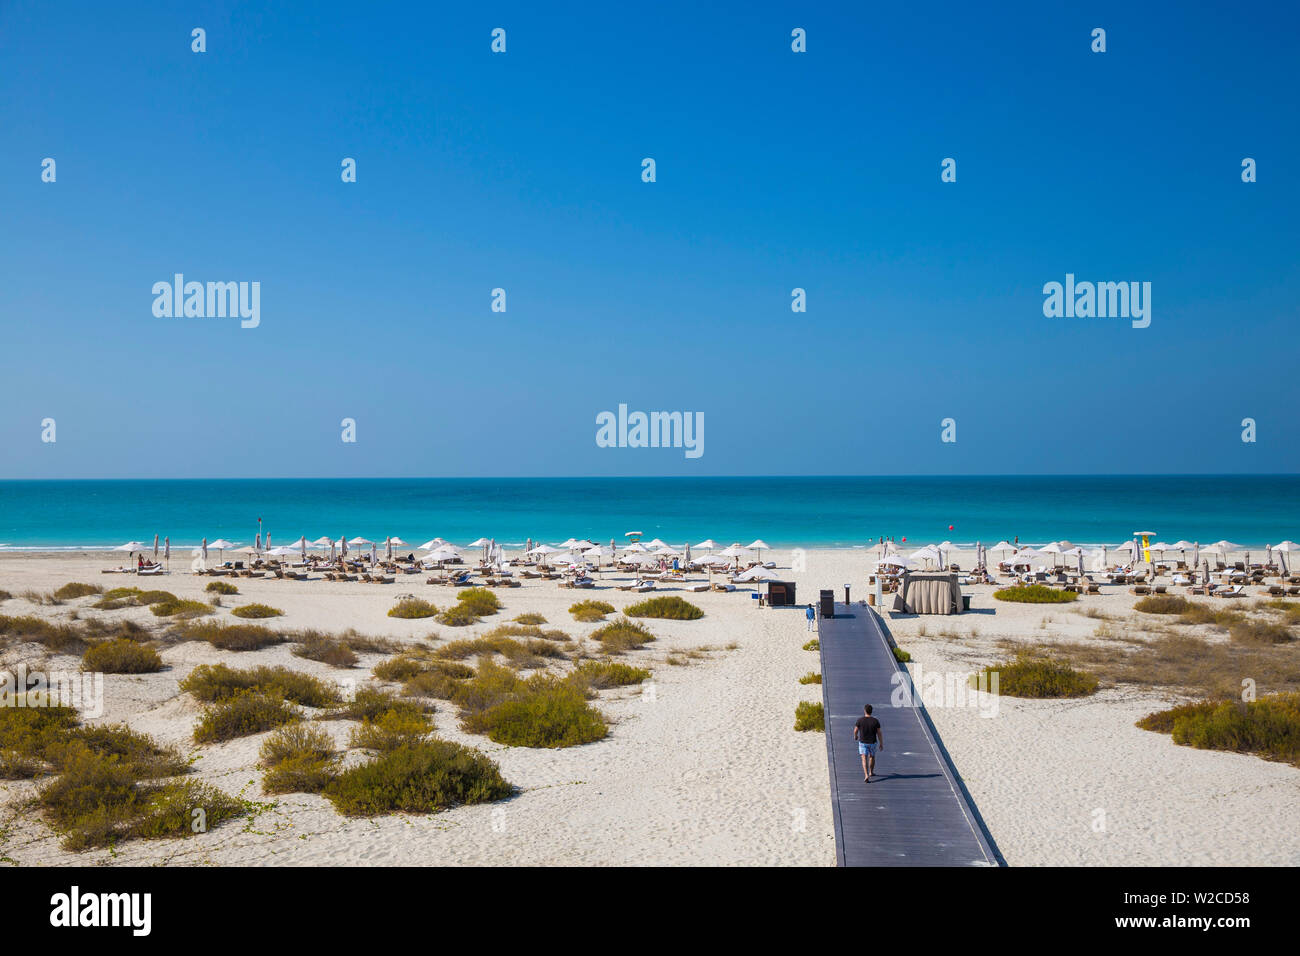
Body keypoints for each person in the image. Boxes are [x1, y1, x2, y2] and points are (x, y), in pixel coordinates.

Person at [854, 704, 883, 783]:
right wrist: (881, 743)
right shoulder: (875, 721)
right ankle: (871, 772)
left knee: (864, 758)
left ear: (864, 711)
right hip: (872, 742)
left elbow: (855, 730)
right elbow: (879, 733)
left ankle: (866, 774)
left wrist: (855, 736)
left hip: (863, 742)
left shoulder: (860, 720)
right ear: (871, 711)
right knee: (872, 757)